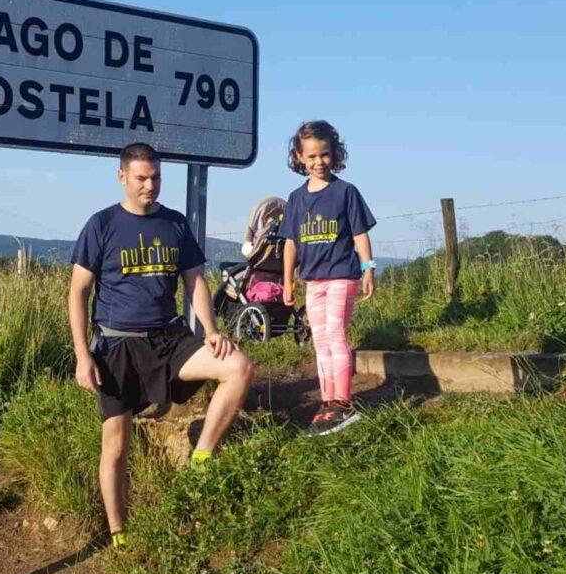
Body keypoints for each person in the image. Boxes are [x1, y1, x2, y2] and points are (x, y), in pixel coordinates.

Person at [68, 142, 256, 548]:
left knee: (239, 368)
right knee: (116, 446)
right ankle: (120, 535)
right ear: (122, 177)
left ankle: (202, 458)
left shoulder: (174, 224)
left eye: (155, 177)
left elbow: (195, 280)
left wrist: (210, 328)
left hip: (169, 339)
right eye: (141, 178)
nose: (149, 185)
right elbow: (77, 293)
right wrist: (83, 357)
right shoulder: (101, 225)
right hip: (116, 348)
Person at [278, 120, 377, 436]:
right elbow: (290, 243)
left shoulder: (346, 192)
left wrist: (368, 268)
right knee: (319, 340)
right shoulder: (295, 199)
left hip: (342, 275)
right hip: (313, 280)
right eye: (311, 157)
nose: (318, 162)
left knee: (335, 334)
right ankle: (327, 402)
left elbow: (359, 233)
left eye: (324, 155)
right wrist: (288, 281)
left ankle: (343, 403)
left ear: (335, 154)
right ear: (299, 157)